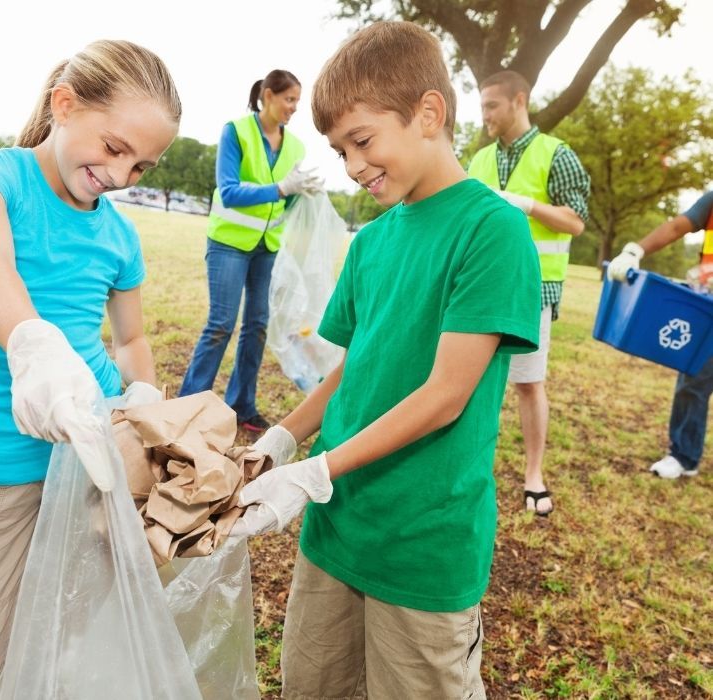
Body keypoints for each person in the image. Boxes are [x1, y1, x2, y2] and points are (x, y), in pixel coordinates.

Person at [229, 21, 541, 698]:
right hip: (336, 532)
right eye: (340, 151)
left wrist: (317, 471)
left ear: (428, 113)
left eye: (362, 141)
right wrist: (282, 443)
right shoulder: (370, 242)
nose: (353, 166)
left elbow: (445, 396)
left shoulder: (491, 229)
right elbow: (351, 371)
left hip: (421, 546)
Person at [0, 39, 180, 697]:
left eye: (141, 165)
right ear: (64, 105)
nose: (120, 175)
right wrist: (33, 347)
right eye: (114, 149)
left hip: (86, 471)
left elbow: (132, 336)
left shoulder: (119, 234)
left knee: (66, 643)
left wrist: (141, 395)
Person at [467, 70, 590, 516]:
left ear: (520, 101)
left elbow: (576, 221)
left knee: (528, 383)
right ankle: (470, 466)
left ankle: (533, 475)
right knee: (472, 382)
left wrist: (528, 205)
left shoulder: (557, 155)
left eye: (491, 106)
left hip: (532, 290)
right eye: (482, 107)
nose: (485, 116)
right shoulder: (479, 159)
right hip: (481, 286)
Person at [178, 70, 322, 432]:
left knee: (257, 326)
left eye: (297, 102)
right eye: (289, 99)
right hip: (229, 242)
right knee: (220, 325)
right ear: (268, 96)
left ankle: (242, 405)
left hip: (267, 247)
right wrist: (279, 188)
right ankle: (187, 407)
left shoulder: (296, 147)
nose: (293, 108)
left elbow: (284, 202)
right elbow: (228, 190)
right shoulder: (236, 132)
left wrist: (300, 194)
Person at [608, 190, 713, 479]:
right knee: (693, 380)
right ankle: (684, 455)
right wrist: (635, 250)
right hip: (710, 309)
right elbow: (677, 227)